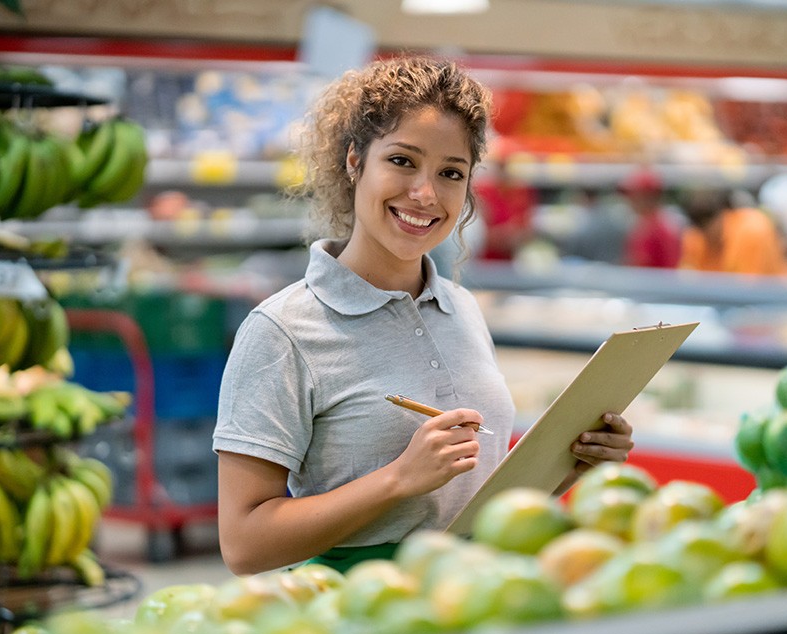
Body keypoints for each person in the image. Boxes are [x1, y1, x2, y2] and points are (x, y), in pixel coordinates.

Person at [212, 57, 634, 576]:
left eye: (450, 173)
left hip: (478, 596)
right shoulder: (281, 332)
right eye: (403, 161)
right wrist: (399, 478)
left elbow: (469, 505)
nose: (426, 194)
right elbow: (243, 545)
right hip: (364, 615)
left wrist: (574, 463)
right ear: (353, 161)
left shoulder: (462, 307)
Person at [678, 186, 787, 276]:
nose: (706, 233)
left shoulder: (752, 229)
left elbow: (748, 289)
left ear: (722, 213)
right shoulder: (695, 237)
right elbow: (686, 276)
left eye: (708, 223)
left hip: (775, 301)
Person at [473, 153, 537, 261]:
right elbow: (474, 232)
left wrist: (514, 237)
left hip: (509, 262)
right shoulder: (483, 191)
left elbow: (527, 231)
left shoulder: (522, 193)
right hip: (484, 262)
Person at [620, 169, 681, 269]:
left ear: (647, 196)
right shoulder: (653, 224)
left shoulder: (655, 229)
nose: (629, 200)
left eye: (633, 194)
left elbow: (639, 266)